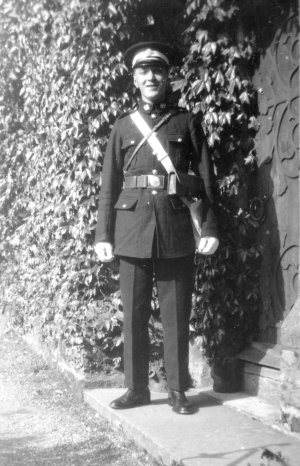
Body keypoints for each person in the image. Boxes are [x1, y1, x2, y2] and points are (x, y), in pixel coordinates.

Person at [94, 42, 219, 414]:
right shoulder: (122, 127)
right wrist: (103, 235)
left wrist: (209, 227)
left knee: (176, 312)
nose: (151, 77)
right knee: (133, 313)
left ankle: (178, 390)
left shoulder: (186, 122)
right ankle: (136, 389)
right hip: (131, 230)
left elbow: (208, 181)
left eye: (158, 71)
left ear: (167, 77)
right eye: (143, 71)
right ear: (134, 79)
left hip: (175, 228)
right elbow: (108, 185)